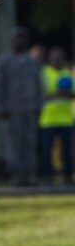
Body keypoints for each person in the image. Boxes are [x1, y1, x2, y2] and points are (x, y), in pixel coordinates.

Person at [0, 28, 44, 186]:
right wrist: (1, 108)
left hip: (29, 108)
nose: (19, 41)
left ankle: (29, 173)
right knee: (14, 142)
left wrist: (39, 105)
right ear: (12, 40)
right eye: (17, 38)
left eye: (22, 38)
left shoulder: (32, 61)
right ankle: (16, 173)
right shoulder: (4, 61)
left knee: (29, 141)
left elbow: (39, 85)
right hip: (12, 109)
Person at [37, 46, 73, 184]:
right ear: (50, 58)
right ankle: (47, 176)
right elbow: (41, 94)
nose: (57, 59)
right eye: (55, 56)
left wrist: (67, 94)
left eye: (60, 56)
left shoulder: (66, 73)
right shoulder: (44, 73)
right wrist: (57, 94)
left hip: (66, 119)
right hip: (48, 119)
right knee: (46, 151)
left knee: (67, 151)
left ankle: (68, 176)